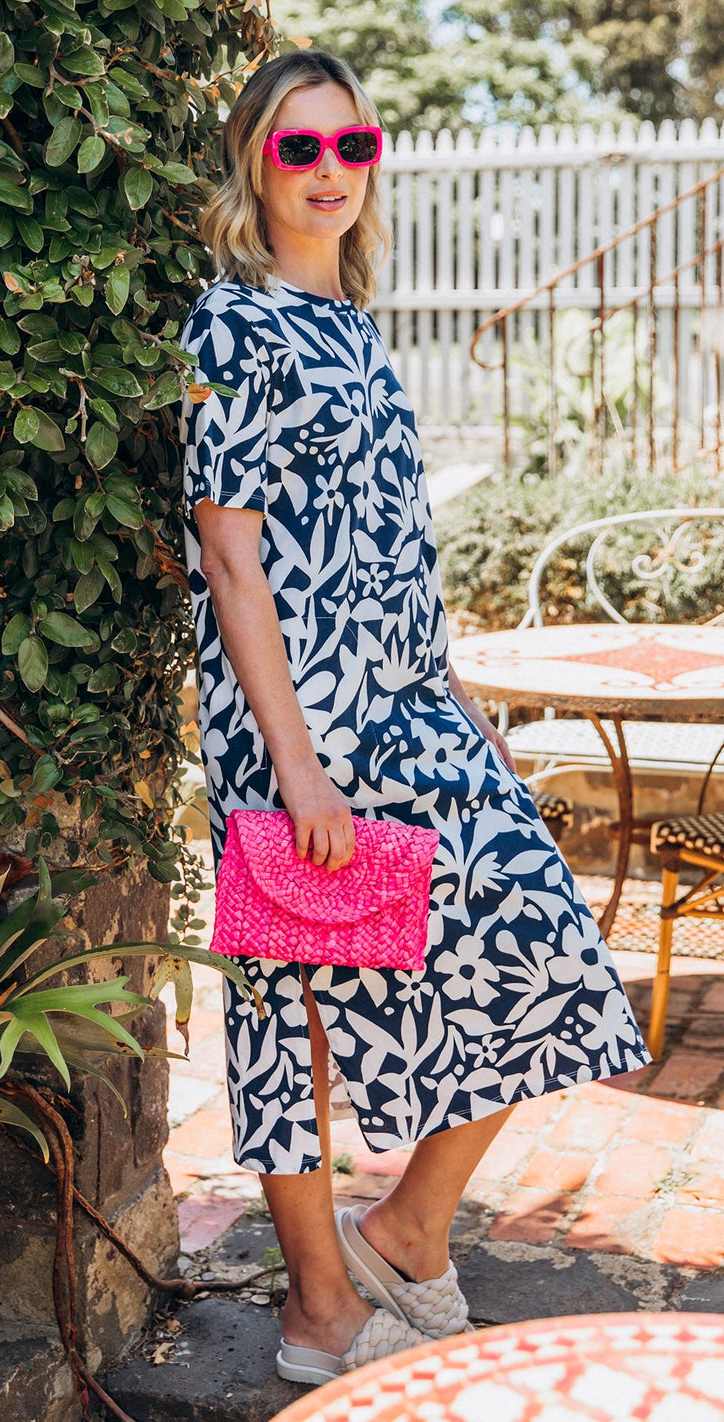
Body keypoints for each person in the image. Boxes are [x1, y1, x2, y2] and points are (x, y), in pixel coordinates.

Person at [177, 48, 651, 1386]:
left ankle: (405, 1225)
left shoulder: (357, 321)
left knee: (551, 948)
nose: (329, 172)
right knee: (289, 1004)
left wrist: (455, 700)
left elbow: (389, 548)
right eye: (298, 149)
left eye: (352, 148)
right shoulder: (233, 324)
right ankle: (319, 1303)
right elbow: (230, 556)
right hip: (299, 725)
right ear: (254, 166)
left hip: (406, 706)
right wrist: (297, 772)